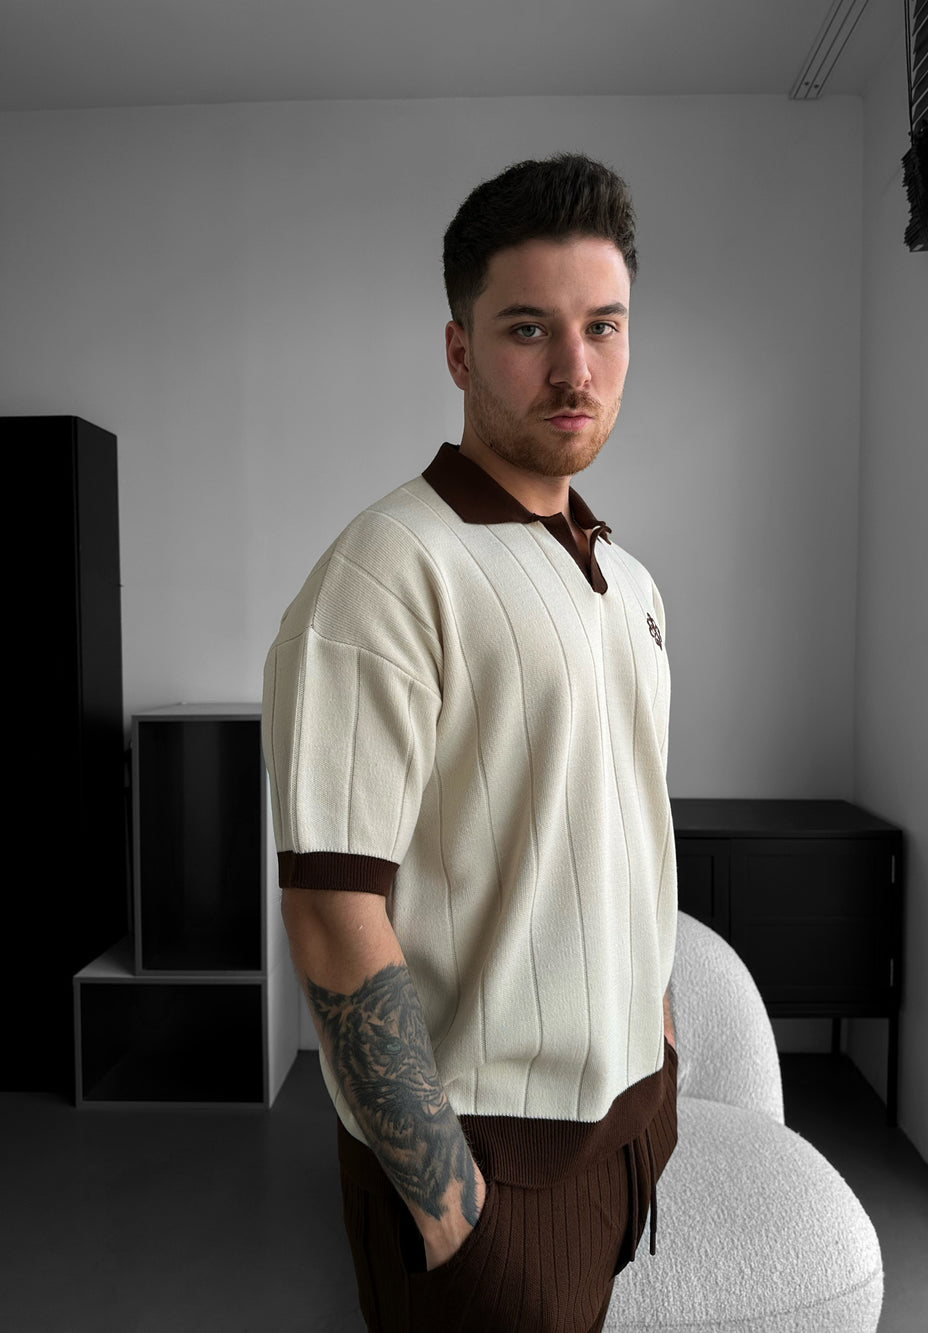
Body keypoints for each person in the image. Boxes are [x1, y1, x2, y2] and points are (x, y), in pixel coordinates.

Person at [261, 152, 678, 1333]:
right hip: (483, 1169)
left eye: (603, 327)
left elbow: (624, 834)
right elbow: (331, 909)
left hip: (626, 1130)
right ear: (458, 352)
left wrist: (659, 1050)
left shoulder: (628, 581)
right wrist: (453, 1213)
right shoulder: (386, 572)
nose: (573, 368)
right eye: (527, 329)